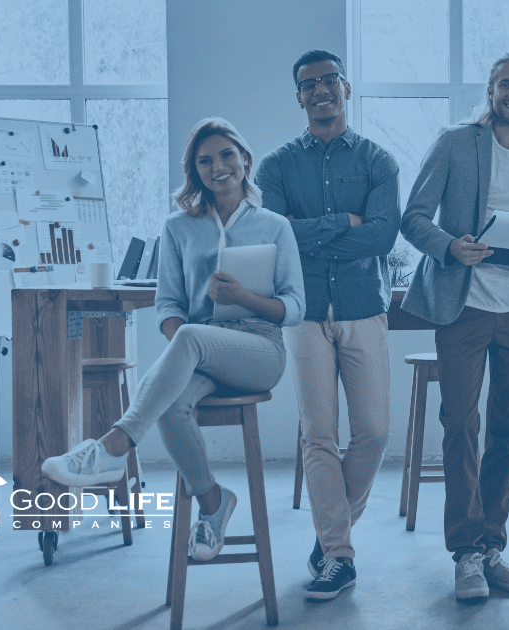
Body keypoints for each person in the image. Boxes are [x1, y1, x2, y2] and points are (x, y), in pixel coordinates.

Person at [42, 118, 305, 563]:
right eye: (205, 161)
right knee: (169, 404)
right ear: (194, 171)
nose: (217, 166)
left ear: (244, 159)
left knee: (186, 343)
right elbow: (168, 307)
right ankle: (212, 505)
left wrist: (243, 297)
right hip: (200, 351)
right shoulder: (178, 228)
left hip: (260, 350)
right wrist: (184, 343)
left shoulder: (275, 226)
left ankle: (112, 447)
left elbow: (296, 308)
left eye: (226, 155)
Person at [399, 52, 509, 602]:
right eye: (505, 84)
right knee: (460, 426)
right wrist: (450, 246)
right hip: (463, 305)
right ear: (491, 90)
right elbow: (414, 217)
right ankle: (466, 552)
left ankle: (493, 546)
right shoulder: (456, 143)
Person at [255, 49, 400, 601]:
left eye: (329, 80)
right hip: (304, 311)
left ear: (345, 87)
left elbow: (383, 237)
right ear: (298, 96)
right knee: (318, 434)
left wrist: (310, 230)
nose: (320, 90)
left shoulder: (377, 160)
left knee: (375, 433)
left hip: (364, 307)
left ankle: (328, 532)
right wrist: (345, 221)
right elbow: (277, 238)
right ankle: (339, 555)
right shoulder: (274, 167)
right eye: (308, 84)